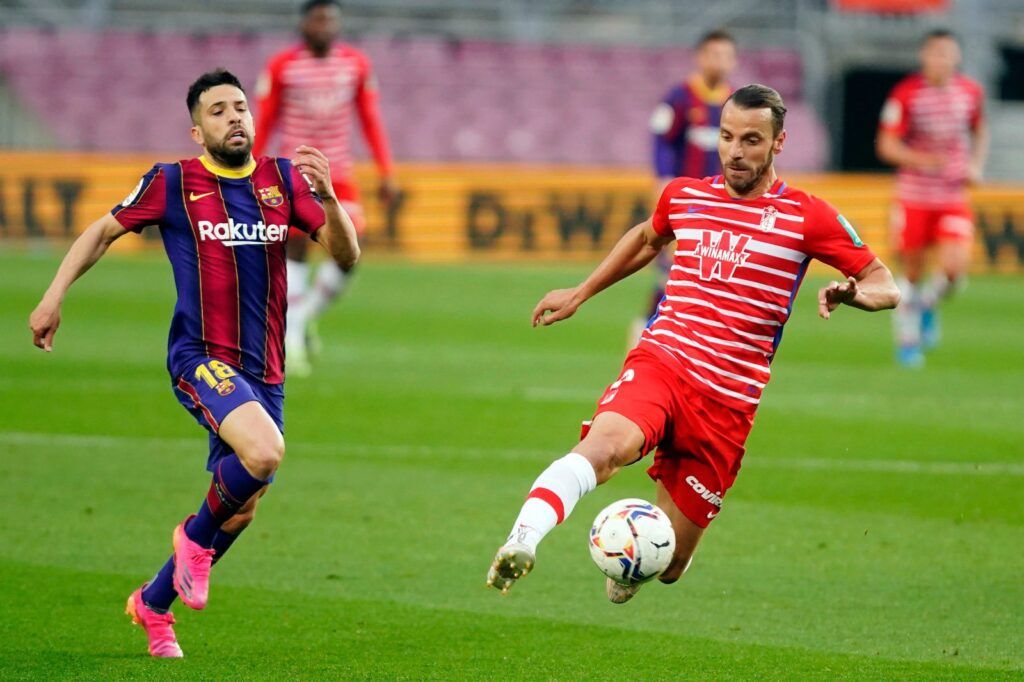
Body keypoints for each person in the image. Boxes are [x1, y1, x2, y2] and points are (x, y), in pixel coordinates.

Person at [487, 84, 900, 603]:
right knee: (607, 449)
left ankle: (632, 558)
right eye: (727, 137)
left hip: (727, 400)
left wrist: (854, 292)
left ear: (779, 143)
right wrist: (582, 291)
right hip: (665, 359)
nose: (735, 151)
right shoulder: (685, 195)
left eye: (752, 139)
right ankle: (522, 538)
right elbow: (645, 238)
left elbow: (887, 285)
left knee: (671, 565)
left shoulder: (808, 216)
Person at [28, 69, 359, 657]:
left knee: (244, 503)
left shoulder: (282, 179)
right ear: (196, 130)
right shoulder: (173, 182)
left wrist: (330, 198)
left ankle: (153, 604)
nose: (234, 117)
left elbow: (345, 254)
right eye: (218, 111)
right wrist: (54, 295)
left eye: (240, 108)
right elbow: (101, 231)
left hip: (266, 366)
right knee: (264, 453)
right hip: (200, 355)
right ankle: (191, 541)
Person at [254, 0, 396, 376]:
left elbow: (370, 119)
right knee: (297, 248)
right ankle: (294, 342)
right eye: (318, 19)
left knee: (350, 253)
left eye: (331, 20)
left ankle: (300, 320)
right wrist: (249, 169)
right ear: (303, 24)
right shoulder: (283, 66)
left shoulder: (355, 65)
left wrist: (386, 170)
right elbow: (265, 122)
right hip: (293, 171)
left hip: (339, 176)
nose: (325, 26)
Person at [876, 29, 987, 368]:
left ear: (957, 57)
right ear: (925, 57)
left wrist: (976, 164)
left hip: (952, 195)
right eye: (935, 53)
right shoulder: (906, 95)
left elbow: (979, 129)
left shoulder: (970, 92)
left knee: (955, 269)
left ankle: (926, 306)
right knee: (911, 271)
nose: (941, 60)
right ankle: (907, 343)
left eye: (947, 53)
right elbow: (886, 145)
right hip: (914, 196)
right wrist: (922, 161)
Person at [636, 29, 737, 339]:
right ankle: (644, 338)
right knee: (670, 279)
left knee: (715, 284)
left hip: (721, 209)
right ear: (700, 57)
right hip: (686, 208)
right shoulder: (679, 98)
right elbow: (661, 142)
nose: (720, 62)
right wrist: (663, 182)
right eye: (714, 54)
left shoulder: (735, 104)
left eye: (726, 56)